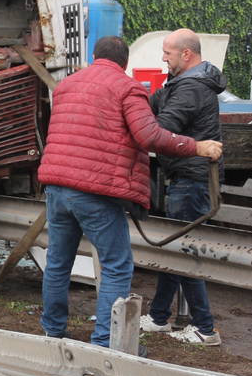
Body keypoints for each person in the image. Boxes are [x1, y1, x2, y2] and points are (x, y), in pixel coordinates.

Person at [37, 36, 223, 347]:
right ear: (125, 63)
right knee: (117, 266)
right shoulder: (128, 88)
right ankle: (107, 343)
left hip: (57, 185)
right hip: (96, 189)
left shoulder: (67, 85)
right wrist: (197, 146)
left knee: (57, 262)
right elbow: (149, 135)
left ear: (95, 56)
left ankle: (52, 332)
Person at [140, 29, 224, 345]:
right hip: (190, 179)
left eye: (168, 53)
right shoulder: (185, 84)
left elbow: (162, 129)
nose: (163, 58)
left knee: (184, 254)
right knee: (173, 249)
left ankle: (204, 328)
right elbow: (154, 103)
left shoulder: (189, 88)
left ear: (186, 54)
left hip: (191, 181)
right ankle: (161, 317)